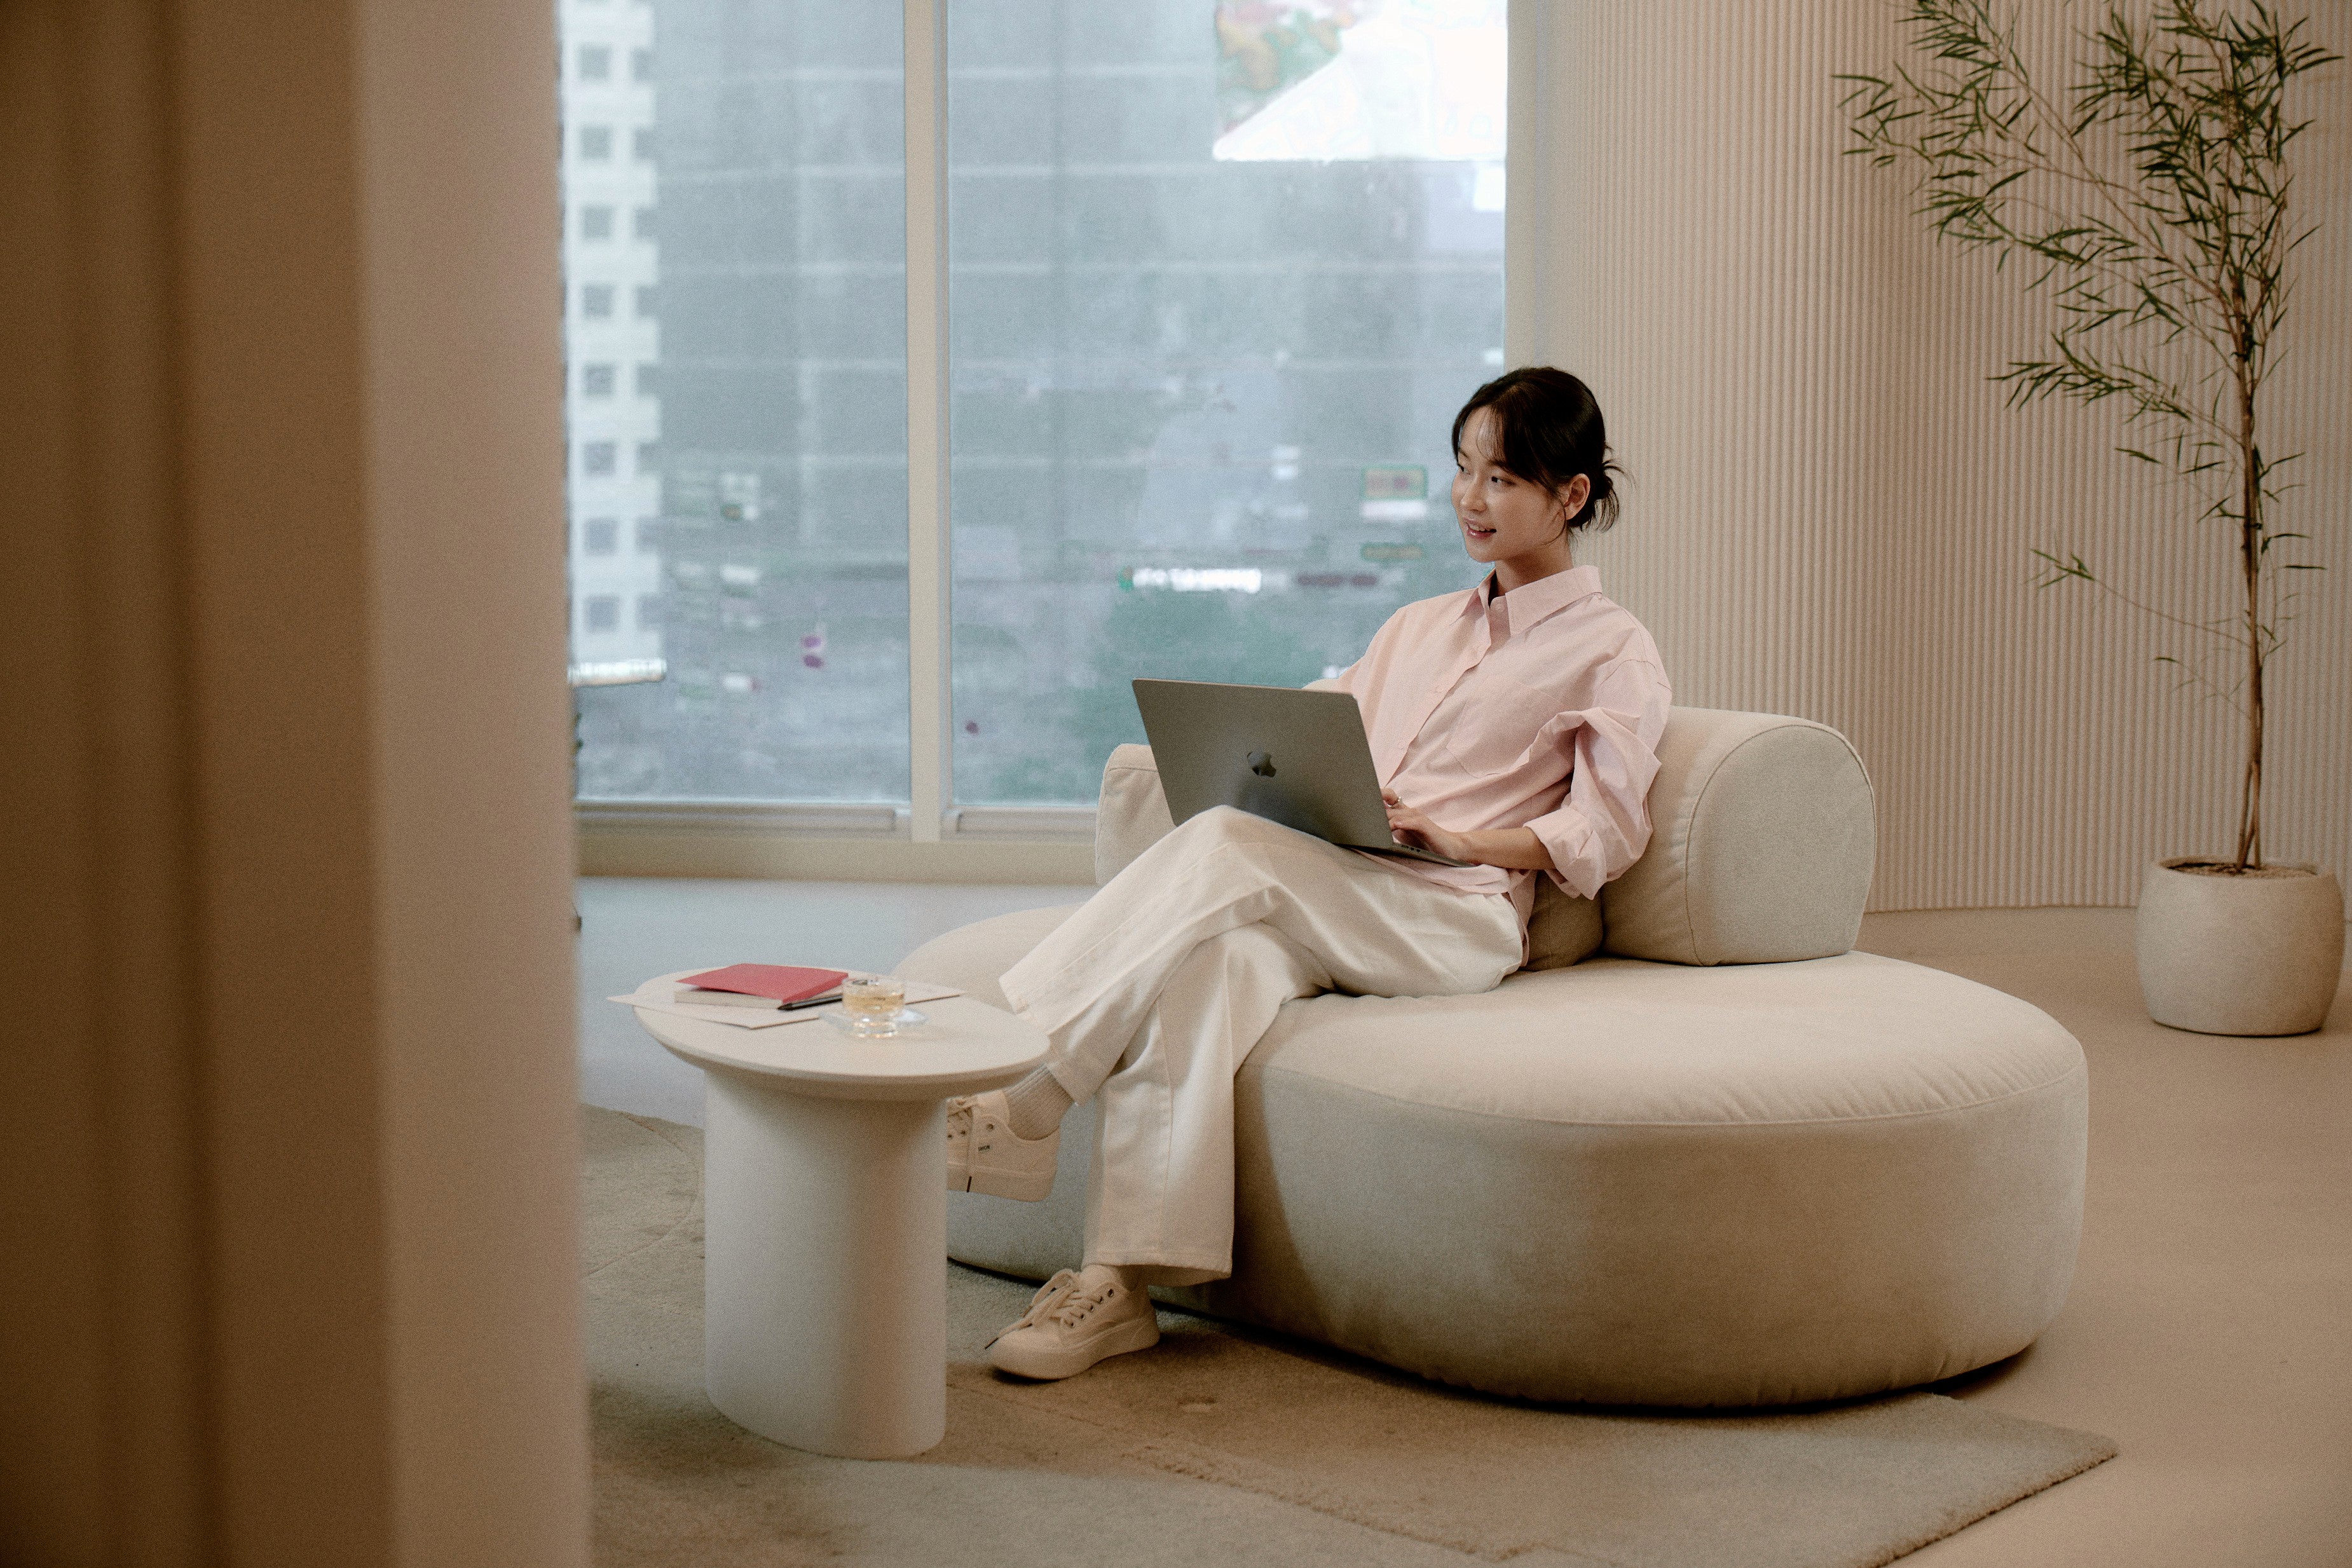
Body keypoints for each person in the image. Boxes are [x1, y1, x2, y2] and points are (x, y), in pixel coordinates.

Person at [945, 367, 1673, 1381]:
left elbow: (1605, 834)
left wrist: (1466, 840)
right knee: (1208, 968)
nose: (1470, 498)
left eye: (1502, 478)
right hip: (1342, 883)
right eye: (1462, 469)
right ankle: (1119, 1283)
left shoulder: (1614, 650)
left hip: (1454, 915)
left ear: (1572, 496)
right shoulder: (1418, 627)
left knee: (1226, 846)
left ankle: (1024, 1098)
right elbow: (1310, 728)